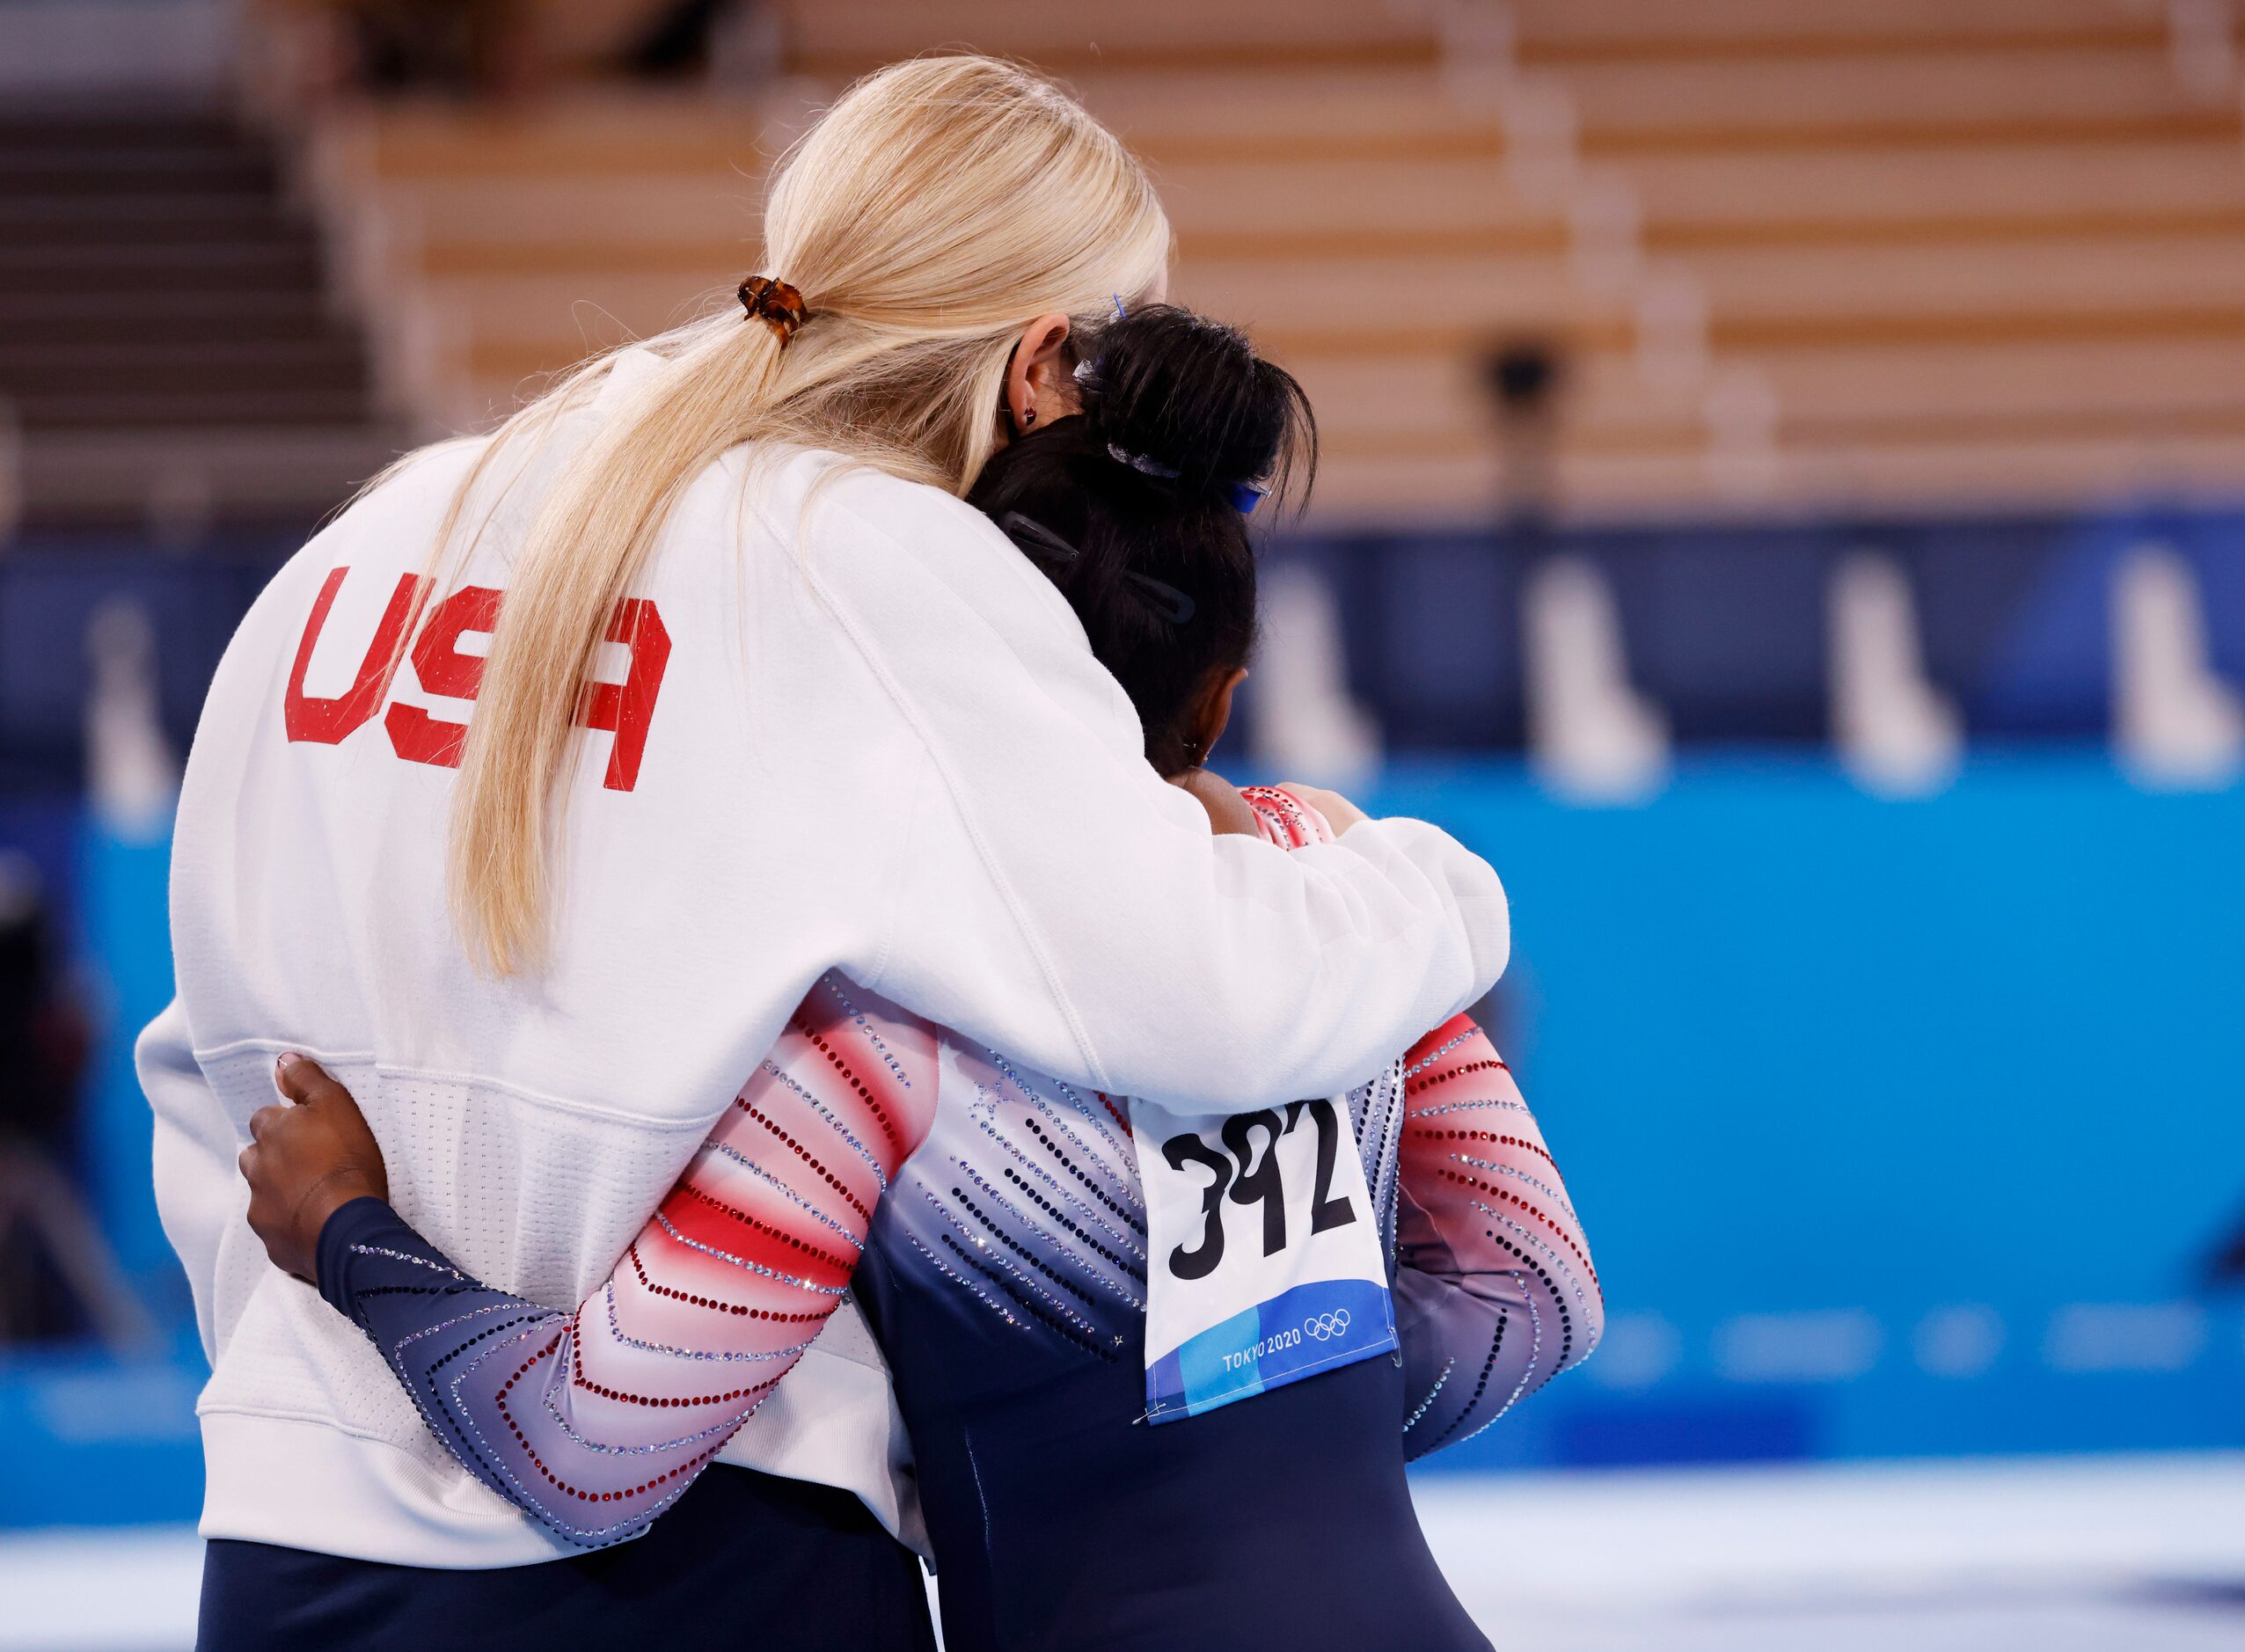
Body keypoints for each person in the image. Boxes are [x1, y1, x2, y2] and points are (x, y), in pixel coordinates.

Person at [137, 60, 1508, 1652]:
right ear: (1046, 363)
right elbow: (1208, 992)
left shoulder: (368, 542)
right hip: (707, 1551)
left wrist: (327, 1392)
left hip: (291, 1542)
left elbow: (210, 1070)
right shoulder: (875, 565)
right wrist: (1419, 881)